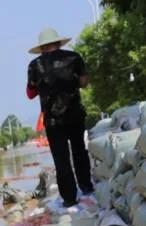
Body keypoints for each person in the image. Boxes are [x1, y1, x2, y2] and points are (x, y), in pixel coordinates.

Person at [26, 27, 93, 208]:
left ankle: (70, 198)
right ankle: (86, 187)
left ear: (41, 48)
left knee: (61, 158)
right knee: (79, 151)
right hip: (75, 114)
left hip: (53, 121)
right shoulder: (73, 58)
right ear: (58, 43)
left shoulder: (35, 65)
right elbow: (84, 82)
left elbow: (30, 93)